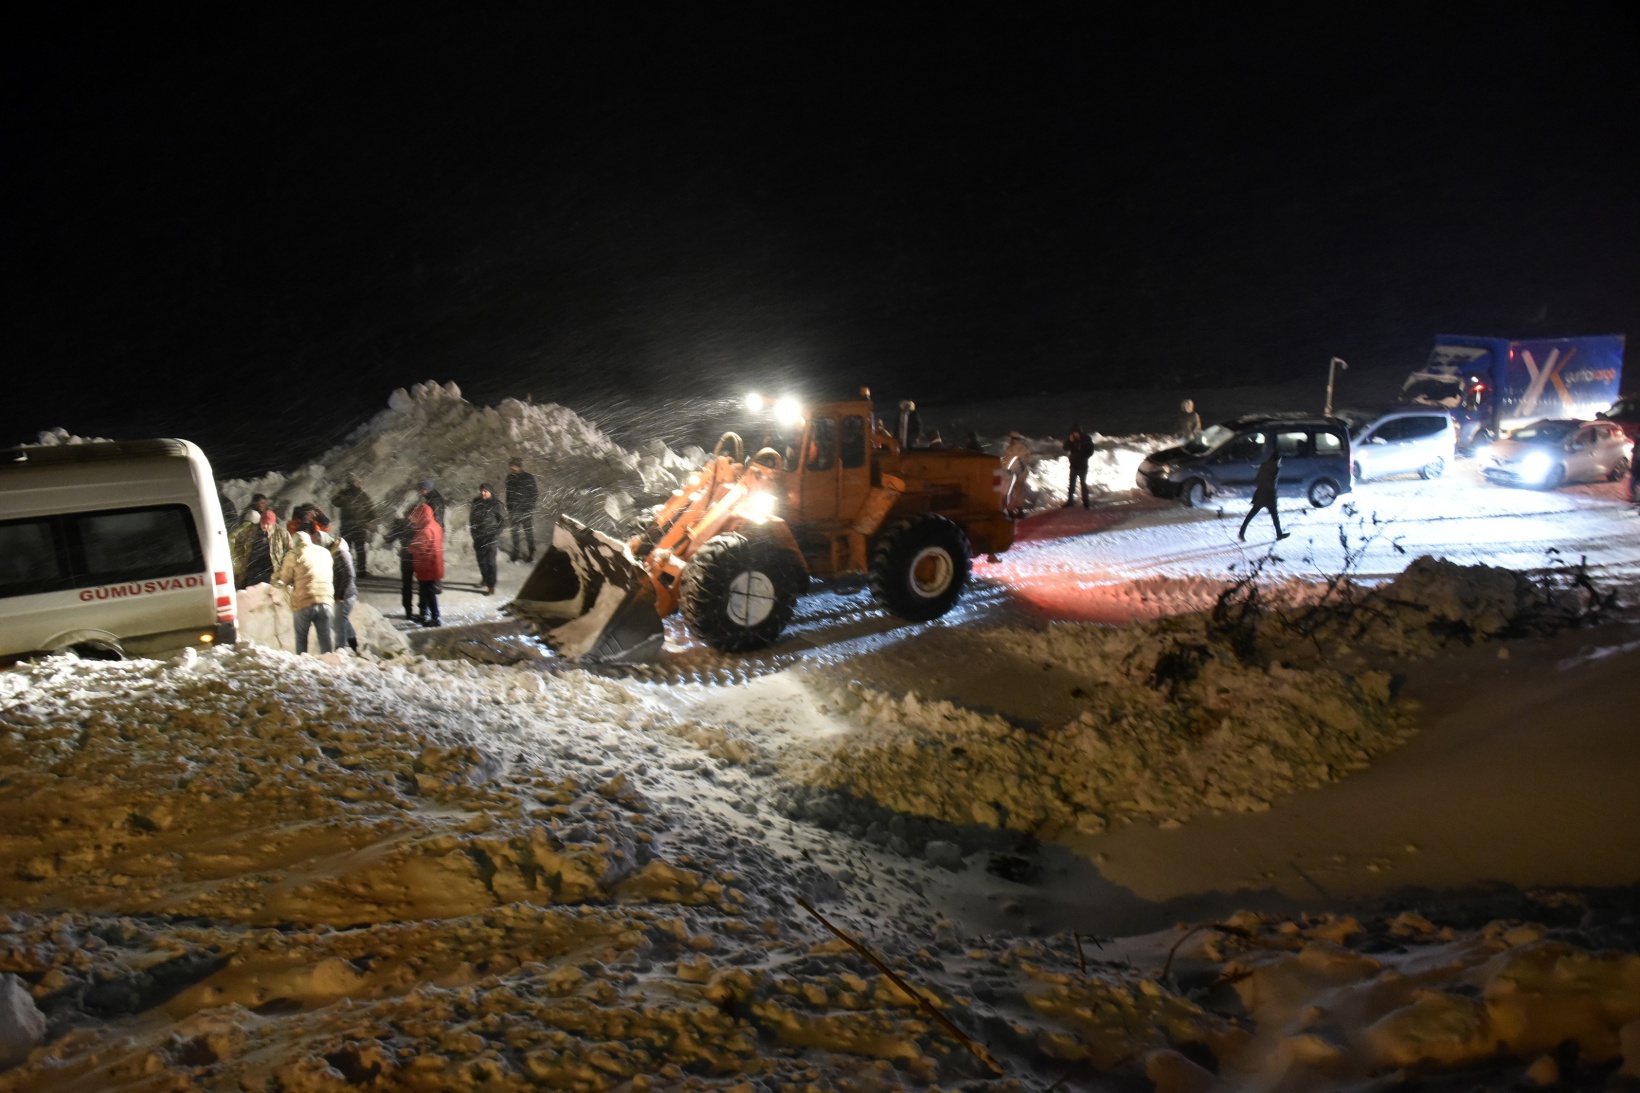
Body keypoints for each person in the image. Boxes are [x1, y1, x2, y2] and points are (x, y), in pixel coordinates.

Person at [278, 527, 336, 654]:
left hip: (304, 601)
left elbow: (285, 578)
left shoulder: (294, 554)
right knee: (325, 636)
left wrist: (281, 582)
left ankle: (302, 661)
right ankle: (328, 660)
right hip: (326, 600)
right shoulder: (324, 552)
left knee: (301, 637)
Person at [1238, 445, 1291, 542]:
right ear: (1278, 459)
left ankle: (1242, 532)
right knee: (1274, 516)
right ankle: (1279, 534)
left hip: (1260, 493)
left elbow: (1257, 480)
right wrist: (1272, 492)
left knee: (1252, 514)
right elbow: (1273, 483)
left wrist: (1262, 487)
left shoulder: (1264, 465)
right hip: (1269, 495)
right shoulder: (1276, 468)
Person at [331, 475, 377, 577]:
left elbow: (334, 502)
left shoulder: (344, 494)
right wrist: (369, 521)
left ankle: (345, 570)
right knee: (360, 549)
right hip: (360, 526)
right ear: (357, 483)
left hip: (346, 526)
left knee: (345, 549)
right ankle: (362, 571)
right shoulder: (363, 495)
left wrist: (340, 493)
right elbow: (371, 511)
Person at [408, 500, 445, 626]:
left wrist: (411, 547)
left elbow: (421, 547)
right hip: (433, 564)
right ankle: (424, 613)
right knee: (425, 591)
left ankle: (435, 617)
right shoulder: (435, 525)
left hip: (427, 566)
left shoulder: (426, 530)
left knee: (428, 593)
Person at [468, 483, 506, 595]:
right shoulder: (477, 503)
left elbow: (503, 521)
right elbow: (472, 518)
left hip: (491, 537)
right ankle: (485, 579)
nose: (483, 493)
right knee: (481, 561)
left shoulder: (497, 504)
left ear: (491, 492)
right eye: (482, 491)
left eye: (485, 491)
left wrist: (496, 533)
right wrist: (473, 532)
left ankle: (491, 585)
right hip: (479, 537)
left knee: (490, 562)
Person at [383, 508, 417, 620]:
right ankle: (423, 611)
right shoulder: (421, 524)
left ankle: (408, 611)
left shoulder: (401, 524)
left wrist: (386, 535)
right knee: (423, 584)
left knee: (407, 585)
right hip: (419, 556)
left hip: (406, 555)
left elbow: (389, 538)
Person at [505, 459, 539, 563]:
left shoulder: (528, 477)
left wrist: (530, 507)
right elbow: (508, 494)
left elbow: (534, 493)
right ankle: (515, 553)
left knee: (528, 532)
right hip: (513, 510)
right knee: (515, 532)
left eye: (513, 466)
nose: (511, 468)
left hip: (525, 510)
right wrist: (509, 506)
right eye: (511, 466)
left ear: (519, 466)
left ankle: (531, 553)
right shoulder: (509, 478)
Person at [1063, 424, 1095, 509]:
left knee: (1083, 484)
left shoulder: (1086, 439)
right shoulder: (1072, 439)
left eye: (1076, 432)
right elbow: (1065, 448)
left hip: (1082, 466)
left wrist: (1083, 457)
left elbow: (1091, 451)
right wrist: (1070, 441)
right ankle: (1070, 501)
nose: (1075, 434)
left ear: (1080, 432)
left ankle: (1086, 503)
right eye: (1073, 433)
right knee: (1071, 484)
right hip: (1073, 465)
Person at [1002, 431, 1032, 519]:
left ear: (1012, 439)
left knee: (1010, 493)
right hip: (1021, 475)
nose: (1008, 440)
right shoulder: (1024, 448)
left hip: (1012, 474)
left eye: (1009, 438)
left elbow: (1007, 462)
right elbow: (1027, 461)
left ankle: (1010, 511)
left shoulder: (1010, 449)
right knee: (1020, 492)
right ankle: (1020, 510)